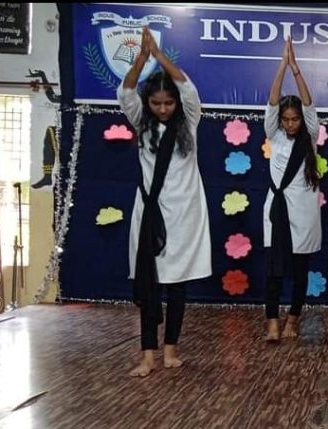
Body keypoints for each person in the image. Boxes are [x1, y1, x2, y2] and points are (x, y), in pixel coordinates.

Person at [118, 26, 212, 377]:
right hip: (150, 214)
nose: (162, 109)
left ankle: (171, 349)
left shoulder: (190, 121)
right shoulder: (141, 123)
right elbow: (126, 91)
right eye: (156, 103)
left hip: (185, 214)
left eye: (168, 103)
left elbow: (188, 88)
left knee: (177, 284)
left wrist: (160, 56)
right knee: (149, 284)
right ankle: (147, 356)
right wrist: (141, 60)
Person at [262, 37, 322, 341]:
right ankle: (272, 322)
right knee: (274, 270)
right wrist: (282, 66)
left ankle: (293, 320)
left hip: (304, 211)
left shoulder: (310, 136)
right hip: (277, 210)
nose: (290, 124)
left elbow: (309, 105)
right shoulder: (273, 134)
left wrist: (296, 70)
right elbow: (272, 102)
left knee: (300, 271)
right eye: (285, 120)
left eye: (294, 119)